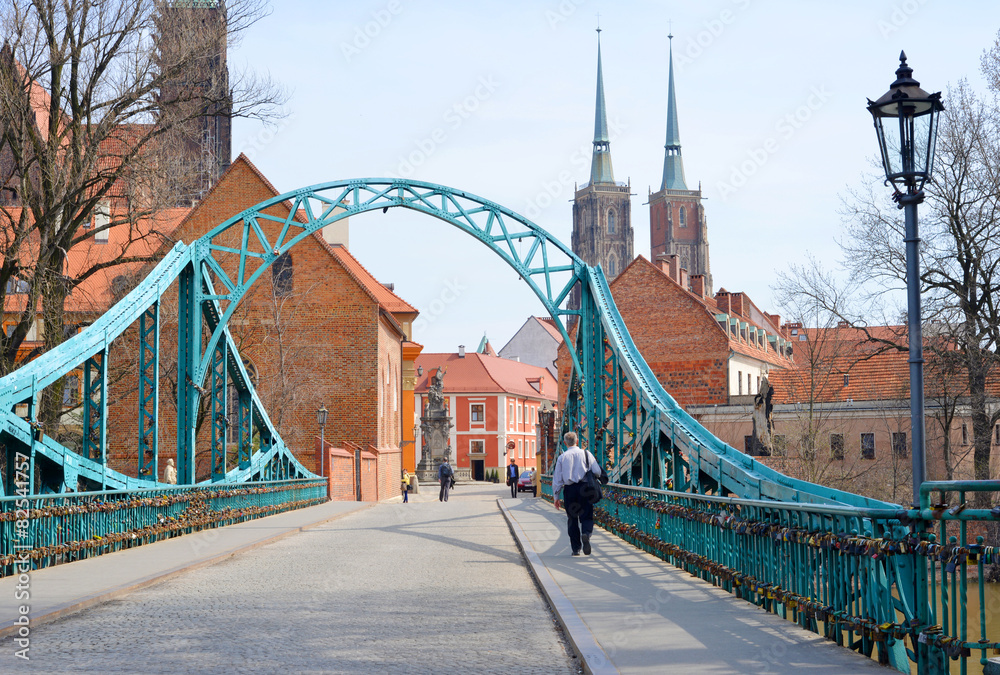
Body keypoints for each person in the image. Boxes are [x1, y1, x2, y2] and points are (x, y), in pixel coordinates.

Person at [551, 431, 602, 556]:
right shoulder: (586, 453)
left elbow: (557, 479)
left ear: (564, 443)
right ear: (577, 441)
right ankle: (586, 533)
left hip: (570, 490)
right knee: (587, 515)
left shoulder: (562, 457)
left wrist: (556, 497)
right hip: (585, 489)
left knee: (572, 519)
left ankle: (576, 548)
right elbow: (597, 471)